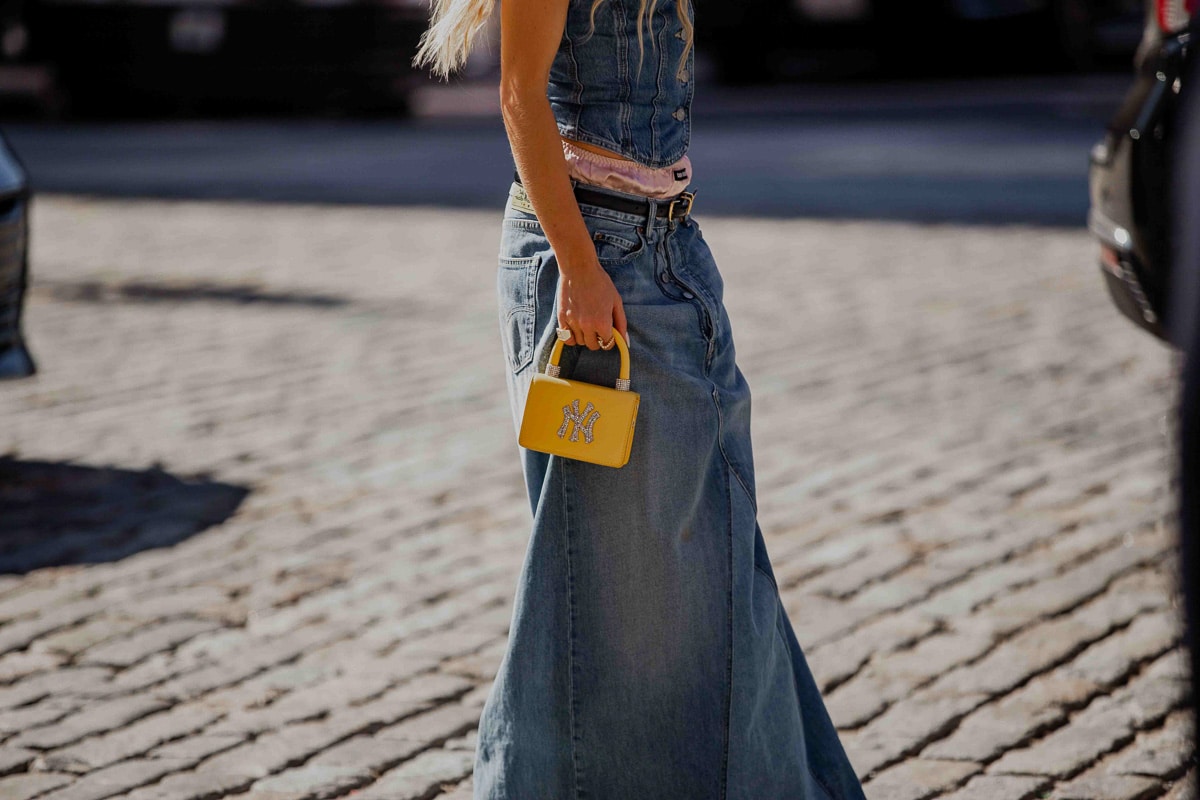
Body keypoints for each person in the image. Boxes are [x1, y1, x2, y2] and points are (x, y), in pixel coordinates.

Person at [414, 0, 868, 797]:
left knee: (718, 562)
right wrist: (582, 270)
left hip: (673, 252)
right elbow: (520, 95)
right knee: (599, 579)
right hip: (589, 264)